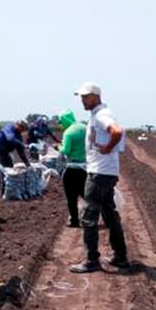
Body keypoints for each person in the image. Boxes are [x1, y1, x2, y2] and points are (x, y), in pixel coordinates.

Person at [69, 82, 129, 273]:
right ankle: (120, 257)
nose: (83, 101)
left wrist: (108, 147)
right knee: (110, 215)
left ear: (96, 96)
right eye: (82, 97)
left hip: (99, 173)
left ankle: (91, 260)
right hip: (106, 172)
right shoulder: (98, 114)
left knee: (88, 216)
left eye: (86, 97)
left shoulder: (102, 114)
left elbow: (116, 132)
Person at [57, 109, 87, 227]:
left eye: (61, 121)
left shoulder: (68, 132)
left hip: (72, 169)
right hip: (85, 168)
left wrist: (59, 147)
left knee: (71, 197)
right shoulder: (85, 128)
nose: (61, 124)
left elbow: (66, 150)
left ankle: (74, 220)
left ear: (65, 119)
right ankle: (90, 217)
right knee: (87, 195)